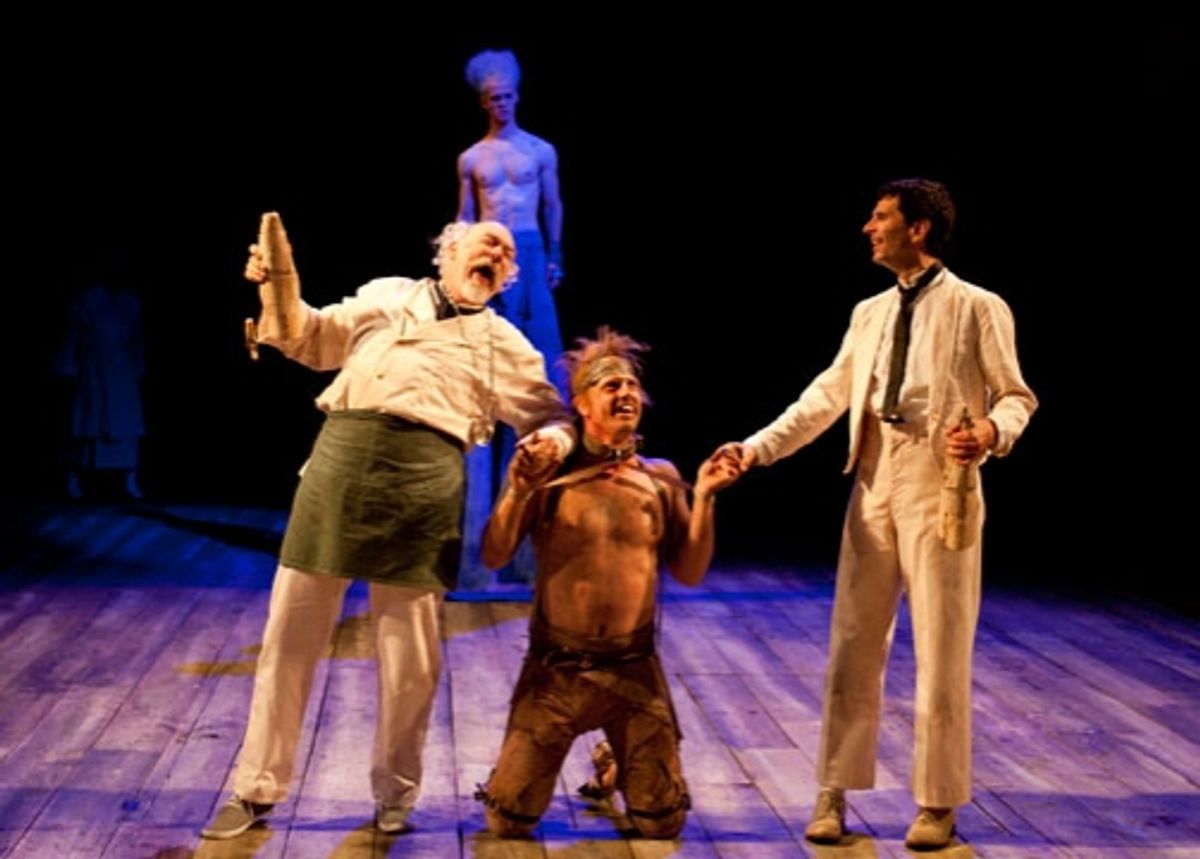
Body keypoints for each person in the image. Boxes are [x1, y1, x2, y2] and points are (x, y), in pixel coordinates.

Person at [200, 217, 573, 840]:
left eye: (508, 255)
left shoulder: (506, 342)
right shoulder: (386, 294)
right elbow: (311, 338)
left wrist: (551, 444)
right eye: (490, 242)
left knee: (411, 658)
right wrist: (274, 290)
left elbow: (551, 414)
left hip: (423, 486)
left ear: (507, 277)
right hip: (340, 465)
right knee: (289, 639)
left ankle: (396, 793)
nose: (501, 254)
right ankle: (255, 788)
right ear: (448, 251)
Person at [722, 179, 1037, 850]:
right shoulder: (868, 313)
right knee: (853, 641)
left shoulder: (978, 306)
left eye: (881, 217)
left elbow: (1017, 397)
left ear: (918, 229)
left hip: (940, 483)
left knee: (942, 644)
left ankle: (937, 800)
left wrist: (988, 430)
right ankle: (833, 789)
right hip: (873, 479)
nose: (868, 227)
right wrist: (755, 449)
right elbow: (827, 395)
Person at [475, 327, 742, 839]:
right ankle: (550, 759)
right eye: (610, 386)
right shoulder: (550, 477)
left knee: (663, 825)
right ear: (581, 404)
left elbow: (689, 571)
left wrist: (706, 496)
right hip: (558, 672)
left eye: (631, 386)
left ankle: (615, 758)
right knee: (506, 821)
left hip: (633, 671)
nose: (625, 394)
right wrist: (517, 490)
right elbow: (494, 553)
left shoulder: (660, 478)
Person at [456, 48, 567, 586]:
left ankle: (529, 547)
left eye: (507, 96)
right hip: (491, 253)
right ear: (484, 101)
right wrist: (459, 262)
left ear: (517, 96)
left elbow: (552, 204)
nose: (501, 104)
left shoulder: (540, 151)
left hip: (528, 245)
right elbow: (465, 215)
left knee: (539, 370)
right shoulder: (472, 157)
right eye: (492, 98)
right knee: (486, 369)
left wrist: (554, 255)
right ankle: (479, 550)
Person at [56, 276, 146, 500]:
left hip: (122, 370)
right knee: (88, 422)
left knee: (125, 423)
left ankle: (130, 480)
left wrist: (138, 364)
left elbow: (137, 337)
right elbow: (72, 334)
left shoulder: (129, 301)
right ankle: (74, 479)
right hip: (94, 369)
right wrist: (67, 365)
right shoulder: (87, 299)